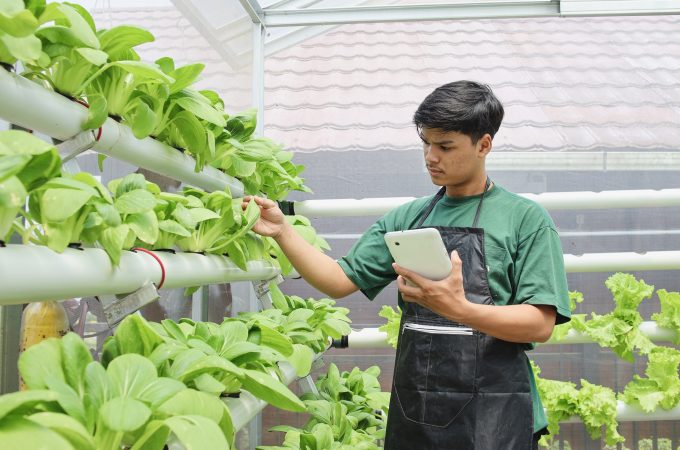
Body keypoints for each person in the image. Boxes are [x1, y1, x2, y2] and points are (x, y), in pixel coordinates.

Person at [244, 80, 571, 450]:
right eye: (426, 143)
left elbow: (540, 323)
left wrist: (460, 310)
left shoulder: (525, 220)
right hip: (418, 408)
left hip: (496, 412)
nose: (431, 156)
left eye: (445, 146)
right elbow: (338, 280)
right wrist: (282, 231)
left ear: (484, 145)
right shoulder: (409, 218)